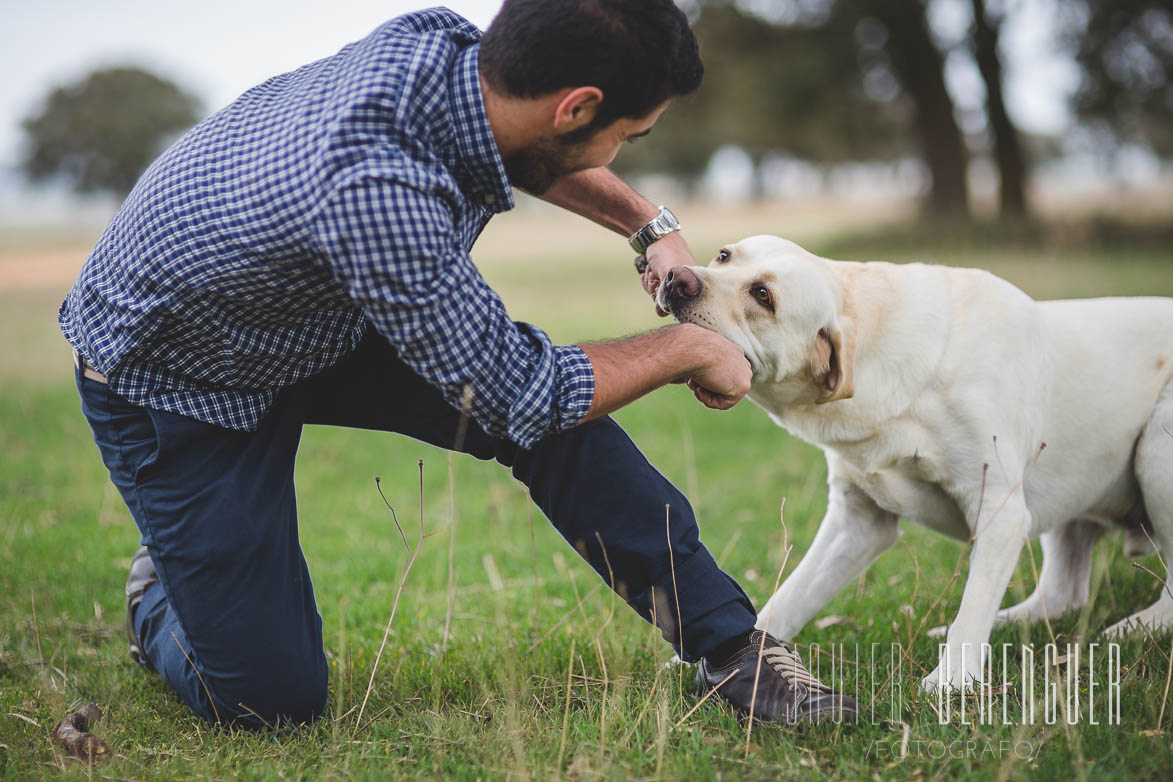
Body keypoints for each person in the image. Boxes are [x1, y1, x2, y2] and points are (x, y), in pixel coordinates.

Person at [61, 0, 857, 728]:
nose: (621, 152)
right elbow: (524, 393)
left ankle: (731, 654)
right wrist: (690, 346)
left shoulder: (443, 48)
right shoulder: (378, 190)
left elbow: (533, 157)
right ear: (576, 107)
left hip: (316, 307)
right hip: (174, 369)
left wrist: (648, 226)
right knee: (270, 703)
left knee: (562, 423)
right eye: (626, 136)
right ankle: (160, 596)